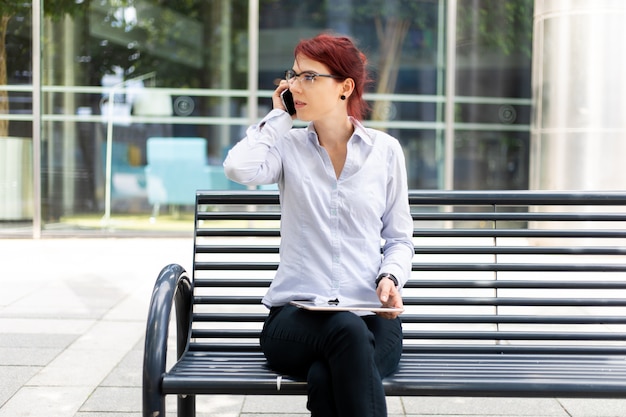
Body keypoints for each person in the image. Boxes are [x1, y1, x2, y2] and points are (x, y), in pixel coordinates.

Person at [223, 33, 414, 417]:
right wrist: (279, 117)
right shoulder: (286, 148)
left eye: (309, 77)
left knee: (328, 376)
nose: (295, 85)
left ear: (345, 87)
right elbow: (237, 168)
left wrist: (391, 278)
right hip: (295, 321)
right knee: (344, 332)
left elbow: (398, 238)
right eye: (293, 76)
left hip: (372, 317)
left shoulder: (385, 152)